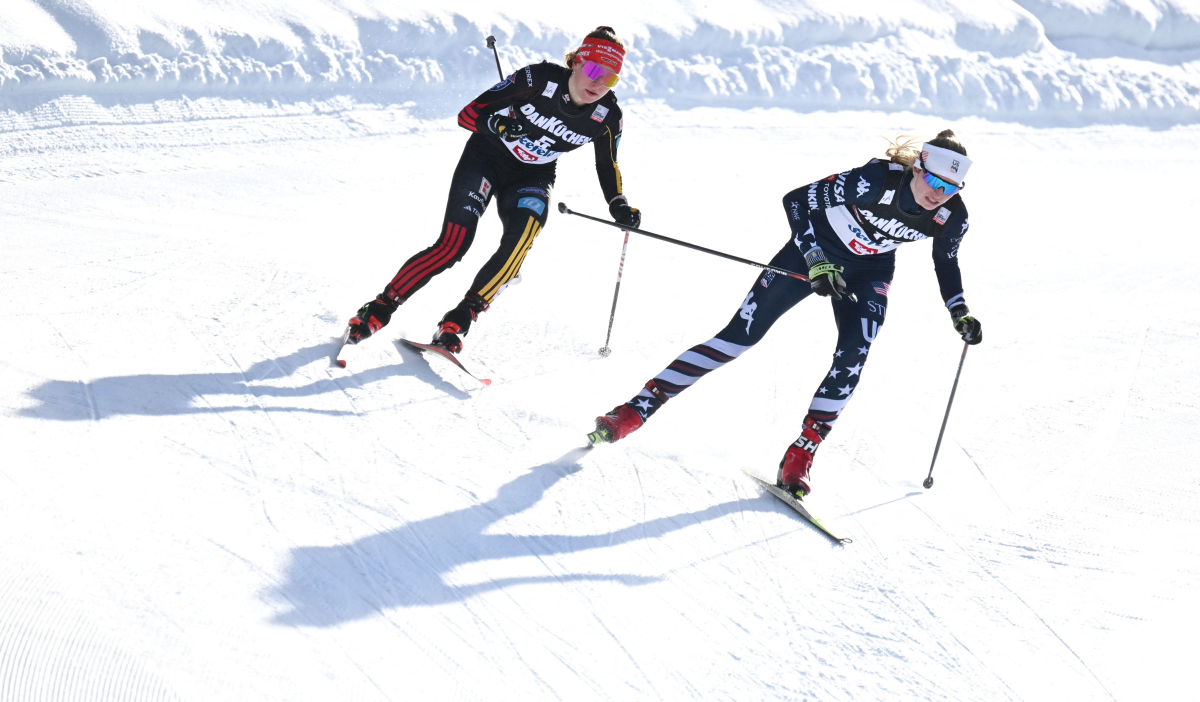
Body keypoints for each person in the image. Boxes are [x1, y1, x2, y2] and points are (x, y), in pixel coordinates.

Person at [587, 130, 983, 498]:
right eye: (934, 181)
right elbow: (796, 200)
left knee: (853, 358)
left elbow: (945, 264)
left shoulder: (953, 216)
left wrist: (959, 312)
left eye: (951, 188)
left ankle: (801, 455)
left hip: (869, 271)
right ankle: (635, 409)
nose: (939, 194)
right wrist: (815, 260)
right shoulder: (875, 181)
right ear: (918, 169)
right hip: (810, 251)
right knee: (737, 338)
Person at [344, 27, 640, 354]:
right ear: (577, 63)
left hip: (532, 175)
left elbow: (607, 165)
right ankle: (380, 307)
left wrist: (618, 205)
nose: (599, 84)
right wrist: (497, 125)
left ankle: (458, 320)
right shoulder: (537, 79)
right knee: (453, 245)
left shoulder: (608, 116)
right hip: (486, 157)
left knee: (525, 234)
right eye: (595, 70)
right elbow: (468, 115)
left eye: (610, 78)